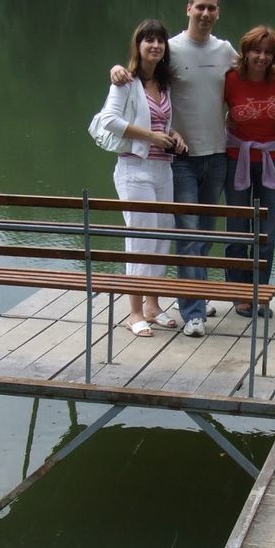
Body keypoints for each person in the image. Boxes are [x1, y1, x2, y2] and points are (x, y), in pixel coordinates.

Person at [113, 0, 237, 337]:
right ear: (188, 8)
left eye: (212, 8)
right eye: (200, 7)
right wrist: (117, 69)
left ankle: (192, 292)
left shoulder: (225, 50)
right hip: (179, 159)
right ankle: (193, 312)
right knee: (187, 235)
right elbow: (140, 73)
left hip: (217, 155)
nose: (205, 13)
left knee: (203, 235)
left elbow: (257, 71)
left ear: (218, 12)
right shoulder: (171, 49)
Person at [97, 19, 186, 336]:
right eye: (149, 40)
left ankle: (153, 304)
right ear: (138, 45)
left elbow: (161, 123)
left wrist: (173, 135)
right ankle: (134, 312)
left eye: (160, 40)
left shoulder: (163, 84)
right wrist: (150, 136)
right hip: (135, 169)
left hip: (163, 169)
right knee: (140, 239)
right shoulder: (126, 81)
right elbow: (109, 120)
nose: (155, 45)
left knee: (162, 237)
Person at [222, 24, 275, 316]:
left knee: (266, 233)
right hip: (237, 158)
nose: (262, 57)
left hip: (273, 159)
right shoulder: (230, 79)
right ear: (245, 52)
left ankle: (259, 293)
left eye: (268, 52)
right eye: (256, 51)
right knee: (237, 229)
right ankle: (239, 294)